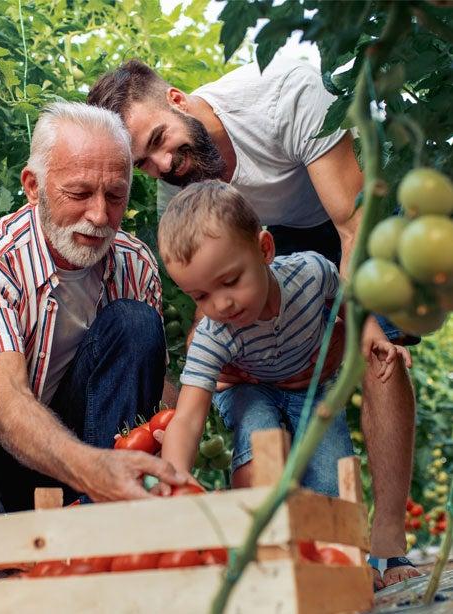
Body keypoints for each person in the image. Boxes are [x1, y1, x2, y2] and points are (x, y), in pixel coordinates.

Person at [88, 58, 419, 588]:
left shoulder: (284, 96)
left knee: (380, 349)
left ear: (176, 99)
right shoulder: (182, 185)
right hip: (263, 240)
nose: (164, 164)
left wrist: (354, 334)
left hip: (348, 211)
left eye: (159, 140)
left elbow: (351, 228)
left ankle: (388, 543)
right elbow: (208, 300)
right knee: (244, 358)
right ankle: (293, 553)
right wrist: (191, 394)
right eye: (144, 163)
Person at [0, 102, 187, 523]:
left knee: (136, 323)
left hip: (86, 460)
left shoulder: (134, 262)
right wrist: (93, 467)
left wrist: (195, 399)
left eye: (115, 195)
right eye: (79, 194)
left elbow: (145, 388)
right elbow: (7, 403)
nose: (99, 215)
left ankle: (105, 526)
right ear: (33, 186)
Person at [156, 180, 405, 500]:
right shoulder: (213, 336)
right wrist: (174, 477)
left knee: (331, 485)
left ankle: (333, 545)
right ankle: (257, 528)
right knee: (261, 446)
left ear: (264, 250)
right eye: (201, 296)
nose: (221, 305)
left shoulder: (311, 273)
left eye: (230, 281)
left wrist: (373, 335)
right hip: (248, 390)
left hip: (310, 387)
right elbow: (188, 418)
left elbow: (348, 302)